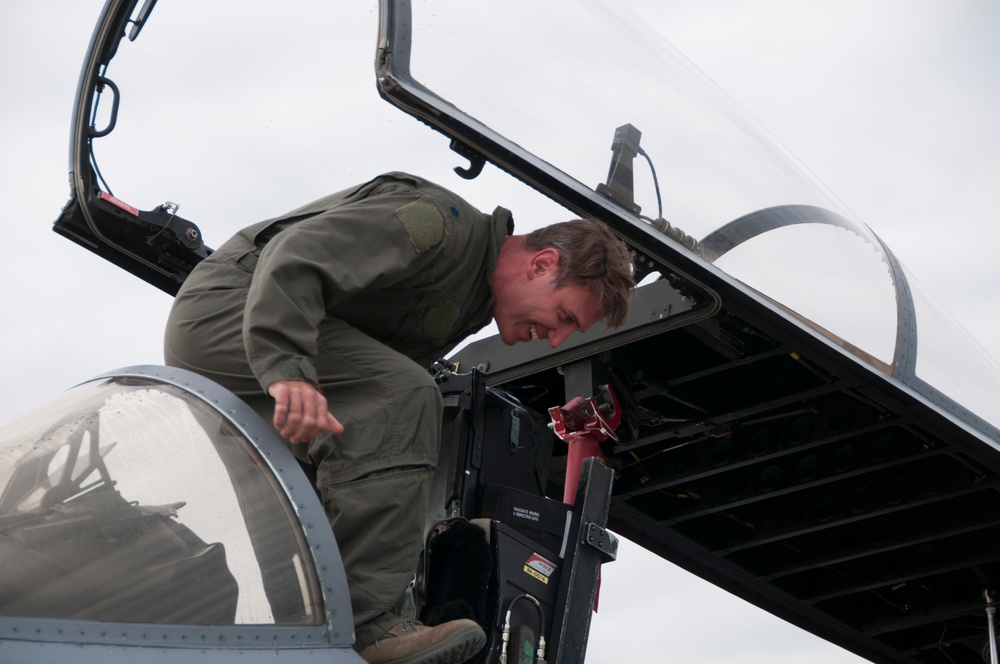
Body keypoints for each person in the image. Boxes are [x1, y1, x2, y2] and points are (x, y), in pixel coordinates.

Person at [164, 171, 634, 664]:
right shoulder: (439, 229)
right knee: (406, 396)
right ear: (542, 264)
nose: (556, 340)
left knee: (302, 509)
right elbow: (297, 256)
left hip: (263, 346)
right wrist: (287, 365)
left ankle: (302, 637)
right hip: (229, 314)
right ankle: (365, 627)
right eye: (564, 318)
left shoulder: (472, 296)